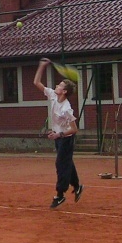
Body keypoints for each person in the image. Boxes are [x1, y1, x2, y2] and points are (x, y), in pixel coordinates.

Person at [33, 58, 83, 209]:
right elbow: (37, 83)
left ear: (65, 91)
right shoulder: (54, 96)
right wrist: (42, 66)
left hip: (66, 139)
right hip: (58, 137)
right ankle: (77, 185)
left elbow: (74, 129)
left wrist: (59, 135)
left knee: (60, 164)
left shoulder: (66, 109)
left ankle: (60, 195)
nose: (56, 85)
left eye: (60, 85)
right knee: (66, 162)